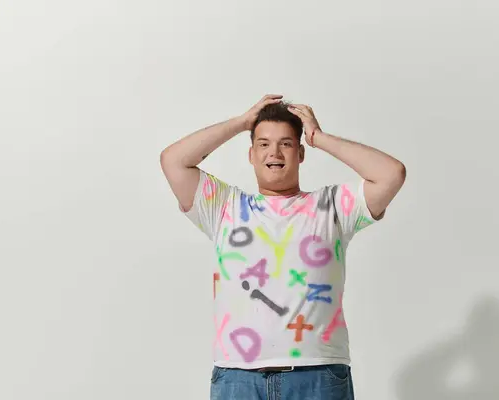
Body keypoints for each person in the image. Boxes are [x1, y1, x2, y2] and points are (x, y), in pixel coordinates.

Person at [160, 94, 406, 399]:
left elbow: (391, 174)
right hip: (237, 377)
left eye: (285, 143)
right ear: (251, 154)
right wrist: (241, 123)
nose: (274, 152)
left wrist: (320, 138)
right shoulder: (225, 206)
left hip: (317, 374)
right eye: (263, 143)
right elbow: (173, 160)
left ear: (301, 153)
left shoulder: (332, 206)